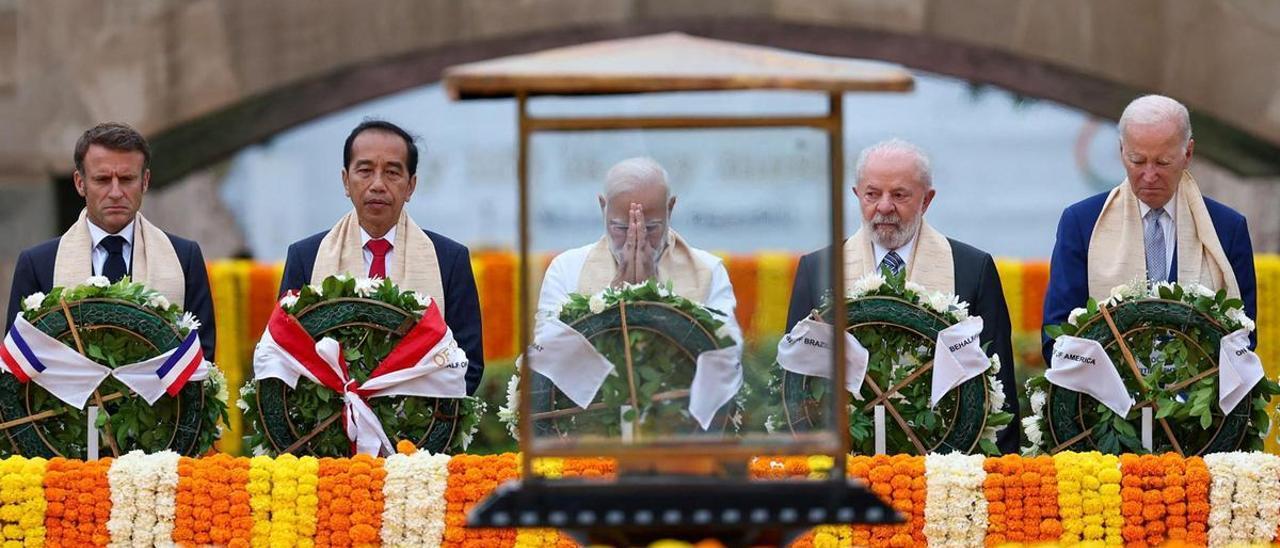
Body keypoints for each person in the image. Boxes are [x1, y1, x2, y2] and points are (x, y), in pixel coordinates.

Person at [786, 138, 1019, 453]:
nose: (883, 207)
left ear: (926, 200)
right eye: (872, 194)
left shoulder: (972, 269)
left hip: (949, 462)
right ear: (857, 195)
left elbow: (998, 383)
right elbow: (797, 381)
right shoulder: (819, 270)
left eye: (899, 195)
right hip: (847, 460)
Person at [1042, 95, 1256, 362]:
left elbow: (1244, 334)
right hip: (1107, 397)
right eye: (1138, 161)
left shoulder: (1226, 228)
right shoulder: (1082, 223)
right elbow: (1057, 336)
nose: (1150, 175)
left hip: (1198, 399)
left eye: (1163, 162)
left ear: (1188, 153)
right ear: (1122, 151)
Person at [279, 120, 484, 395]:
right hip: (331, 430)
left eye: (392, 173)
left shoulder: (449, 259)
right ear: (345, 180)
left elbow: (468, 362)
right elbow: (283, 351)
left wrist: (421, 420)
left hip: (418, 430)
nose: (377, 184)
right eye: (365, 171)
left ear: (410, 186)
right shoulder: (306, 256)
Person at [5, 122, 216, 355]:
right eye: (103, 180)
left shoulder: (184, 257)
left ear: (145, 181)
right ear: (80, 183)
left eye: (126, 179)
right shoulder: (38, 264)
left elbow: (202, 360)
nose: (115, 193)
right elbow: (17, 363)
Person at [537, 157, 739, 334]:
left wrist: (656, 300)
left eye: (650, 228)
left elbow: (726, 361)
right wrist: (612, 299)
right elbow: (546, 358)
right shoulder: (566, 269)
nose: (636, 239)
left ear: (670, 209)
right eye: (621, 227)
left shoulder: (708, 271)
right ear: (603, 207)